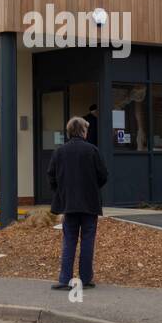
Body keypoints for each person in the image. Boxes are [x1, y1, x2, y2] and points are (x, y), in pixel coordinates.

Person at [47, 115, 109, 290]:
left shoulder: (59, 152)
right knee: (87, 241)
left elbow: (51, 176)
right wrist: (93, 188)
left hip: (69, 204)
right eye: (86, 129)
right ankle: (86, 278)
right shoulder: (92, 150)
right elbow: (103, 175)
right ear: (83, 131)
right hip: (90, 203)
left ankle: (65, 278)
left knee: (69, 241)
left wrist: (61, 192)